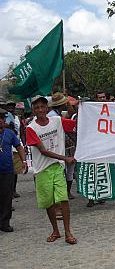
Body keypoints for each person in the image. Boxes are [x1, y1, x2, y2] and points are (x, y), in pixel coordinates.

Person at [25, 96, 78, 244]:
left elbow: (75, 123)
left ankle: (68, 232)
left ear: (47, 108)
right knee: (49, 203)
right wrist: (65, 158)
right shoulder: (31, 128)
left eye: (43, 106)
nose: (41, 110)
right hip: (42, 169)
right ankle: (56, 230)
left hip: (57, 167)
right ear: (33, 110)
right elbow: (43, 151)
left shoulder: (57, 121)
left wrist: (69, 104)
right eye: (37, 108)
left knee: (63, 199)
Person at [0, 108, 27, 232]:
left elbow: (19, 146)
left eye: (2, 118)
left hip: (7, 170)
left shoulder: (9, 133)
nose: (1, 121)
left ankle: (5, 223)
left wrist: (24, 161)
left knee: (6, 197)